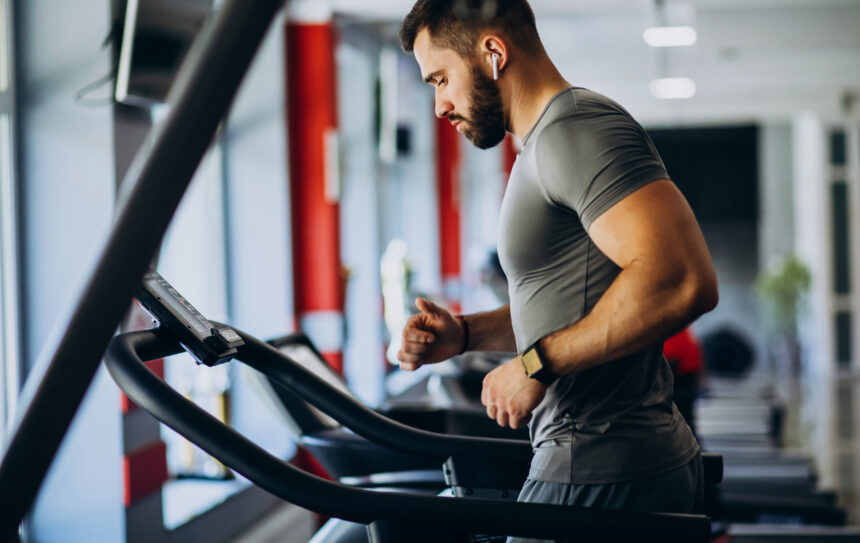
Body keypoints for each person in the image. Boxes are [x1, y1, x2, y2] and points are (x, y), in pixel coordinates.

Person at [395, 1, 718, 539]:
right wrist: (468, 333)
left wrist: (534, 364)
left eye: (441, 79)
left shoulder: (576, 131)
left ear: (493, 52)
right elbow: (577, 298)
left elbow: (681, 278)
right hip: (602, 464)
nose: (439, 105)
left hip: (600, 465)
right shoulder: (545, 142)